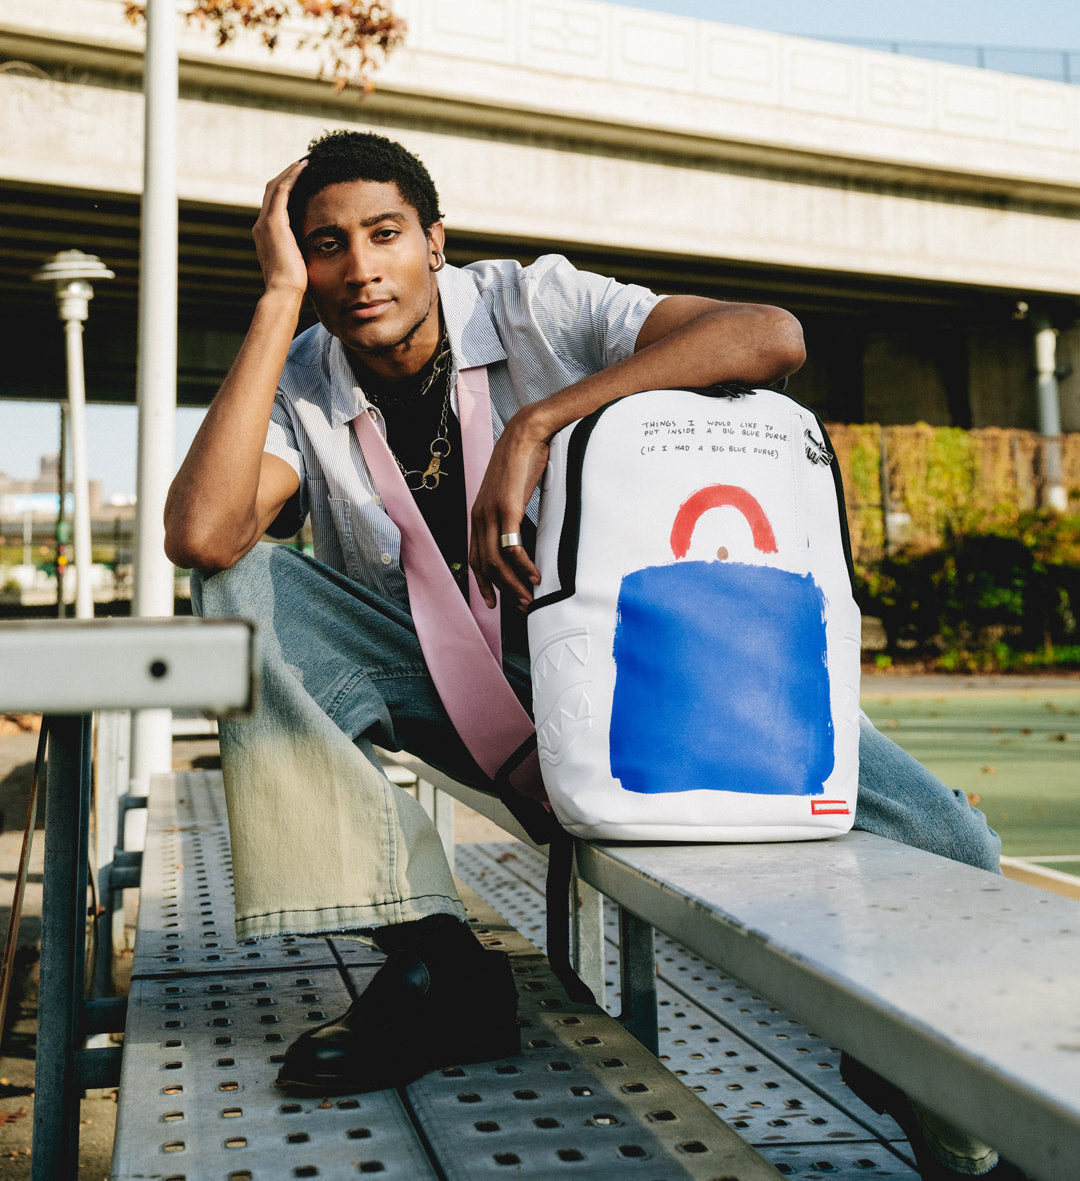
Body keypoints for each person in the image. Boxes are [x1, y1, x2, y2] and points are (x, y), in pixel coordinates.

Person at [165, 130, 1009, 1176]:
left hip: (660, 677)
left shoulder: (536, 303)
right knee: (236, 588)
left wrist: (541, 425)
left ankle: (951, 1120)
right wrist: (274, 303)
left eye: (384, 235)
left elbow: (769, 336)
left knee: (949, 843)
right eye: (325, 246)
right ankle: (435, 959)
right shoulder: (303, 377)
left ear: (436, 242)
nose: (360, 267)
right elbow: (203, 535)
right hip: (457, 690)